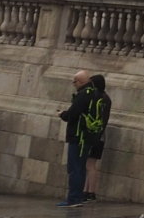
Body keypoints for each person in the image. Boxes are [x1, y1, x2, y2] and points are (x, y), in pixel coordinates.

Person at [57, 69, 97, 207]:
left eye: (74, 82)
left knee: (75, 168)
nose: (74, 84)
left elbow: (72, 114)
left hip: (78, 136)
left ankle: (74, 199)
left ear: (80, 82)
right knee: (80, 167)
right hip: (87, 136)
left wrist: (62, 114)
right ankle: (78, 197)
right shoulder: (94, 93)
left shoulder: (83, 95)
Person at [78, 76, 111, 203]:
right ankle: (87, 191)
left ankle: (90, 192)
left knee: (90, 165)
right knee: (90, 164)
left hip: (94, 134)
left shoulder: (96, 97)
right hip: (100, 135)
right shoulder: (106, 98)